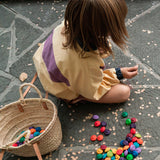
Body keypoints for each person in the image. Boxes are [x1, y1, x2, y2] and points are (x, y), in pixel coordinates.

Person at [33, 0, 138, 105]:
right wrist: (117, 73)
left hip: (44, 62)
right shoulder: (84, 62)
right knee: (124, 92)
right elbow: (92, 90)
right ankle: (78, 97)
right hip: (59, 87)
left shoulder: (71, 24)